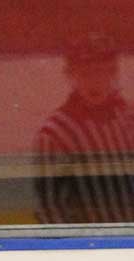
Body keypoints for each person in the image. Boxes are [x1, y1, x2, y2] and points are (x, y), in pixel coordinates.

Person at [34, 32, 134, 224]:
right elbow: (49, 208)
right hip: (91, 239)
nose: (95, 81)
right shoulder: (54, 133)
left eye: (102, 71)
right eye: (86, 73)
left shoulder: (127, 117)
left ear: (113, 72)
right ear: (71, 74)